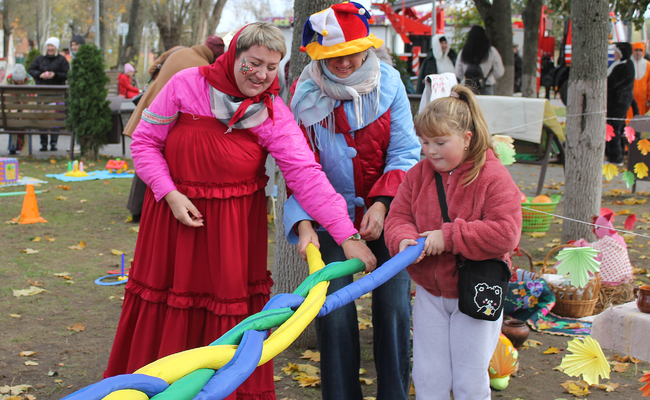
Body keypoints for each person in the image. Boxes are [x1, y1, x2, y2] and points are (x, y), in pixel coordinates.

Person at [102, 22, 377, 400]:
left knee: (224, 312)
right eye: (254, 63)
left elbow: (307, 176)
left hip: (230, 233)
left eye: (271, 67)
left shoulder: (273, 113)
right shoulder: (185, 84)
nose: (262, 75)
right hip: (173, 222)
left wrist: (348, 236)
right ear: (234, 56)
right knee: (170, 301)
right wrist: (169, 193)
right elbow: (146, 143)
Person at [287, 3, 420, 399]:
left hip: (390, 214)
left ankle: (394, 394)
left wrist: (380, 204)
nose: (342, 64)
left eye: (350, 54)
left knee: (395, 309)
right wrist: (304, 224)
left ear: (366, 48)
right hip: (328, 220)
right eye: (331, 57)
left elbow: (405, 154)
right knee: (334, 312)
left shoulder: (391, 85)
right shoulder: (304, 92)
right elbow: (298, 165)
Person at [384, 84, 522, 400]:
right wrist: (403, 240)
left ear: (467, 138)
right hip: (431, 293)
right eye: (425, 143)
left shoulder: (492, 176)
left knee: (469, 380)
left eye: (440, 143)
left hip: (475, 292)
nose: (431, 151)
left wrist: (447, 237)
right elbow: (398, 218)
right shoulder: (417, 175)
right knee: (428, 377)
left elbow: (505, 233)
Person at [123, 35, 225, 223]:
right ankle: (144, 208)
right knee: (156, 157)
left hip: (149, 103)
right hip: (168, 113)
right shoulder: (202, 66)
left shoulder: (177, 49)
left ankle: (135, 207)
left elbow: (152, 69)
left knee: (145, 155)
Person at [28, 36, 70, 152]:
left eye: (52, 46)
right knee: (42, 117)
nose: (50, 48)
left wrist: (54, 75)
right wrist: (40, 75)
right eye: (49, 46)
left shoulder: (61, 60)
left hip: (56, 93)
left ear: (56, 47)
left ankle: (53, 142)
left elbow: (66, 73)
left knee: (55, 118)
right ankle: (43, 143)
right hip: (42, 92)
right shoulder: (39, 59)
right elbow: (31, 69)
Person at [606, 42, 635, 165]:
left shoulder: (623, 67)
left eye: (616, 52)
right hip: (619, 103)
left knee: (613, 129)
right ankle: (618, 155)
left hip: (617, 103)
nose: (614, 54)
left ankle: (616, 157)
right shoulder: (622, 64)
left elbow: (611, 83)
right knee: (618, 128)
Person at [455, 25, 504, 95]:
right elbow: (499, 72)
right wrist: (490, 76)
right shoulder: (491, 51)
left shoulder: (463, 52)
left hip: (468, 88)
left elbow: (458, 73)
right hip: (487, 86)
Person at [5, 64, 35, 155]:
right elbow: (7, 99)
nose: (18, 83)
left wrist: (23, 112)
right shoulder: (8, 79)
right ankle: (14, 146)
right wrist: (13, 110)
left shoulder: (30, 81)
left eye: (20, 81)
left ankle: (19, 147)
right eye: (16, 81)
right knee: (14, 117)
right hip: (14, 108)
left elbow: (31, 103)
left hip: (25, 108)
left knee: (25, 118)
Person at [627, 42, 650, 120]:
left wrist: (649, 98)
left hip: (642, 99)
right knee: (628, 120)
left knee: (639, 120)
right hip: (628, 98)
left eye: (640, 50)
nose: (638, 52)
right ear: (633, 51)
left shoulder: (648, 65)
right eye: (636, 50)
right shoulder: (627, 63)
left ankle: (638, 132)